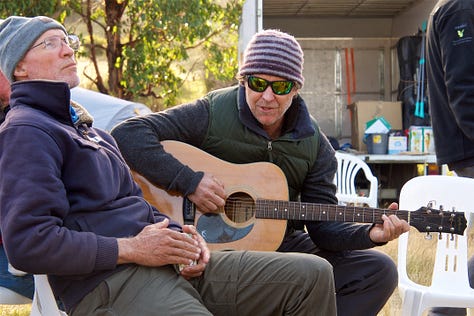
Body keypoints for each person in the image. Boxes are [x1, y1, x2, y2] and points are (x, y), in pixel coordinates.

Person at [0, 16, 338, 316]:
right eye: (51, 43)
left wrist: (183, 239)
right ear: (19, 68)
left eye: (67, 41)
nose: (68, 50)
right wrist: (132, 248)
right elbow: (30, 244)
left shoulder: (91, 132)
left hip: (164, 263)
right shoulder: (27, 131)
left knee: (313, 275)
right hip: (110, 282)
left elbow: (139, 207)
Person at [111, 29, 411, 316]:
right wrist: (190, 182)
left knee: (378, 271)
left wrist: (370, 233)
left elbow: (323, 228)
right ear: (243, 81)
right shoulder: (212, 112)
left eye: (280, 86)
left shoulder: (314, 144)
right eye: (257, 83)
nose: (267, 96)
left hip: (281, 242)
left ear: (295, 88)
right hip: (212, 243)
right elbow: (128, 134)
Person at [426, 1, 474, 315]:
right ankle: (444, 308)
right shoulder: (462, 9)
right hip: (469, 147)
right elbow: (464, 91)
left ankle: (444, 307)